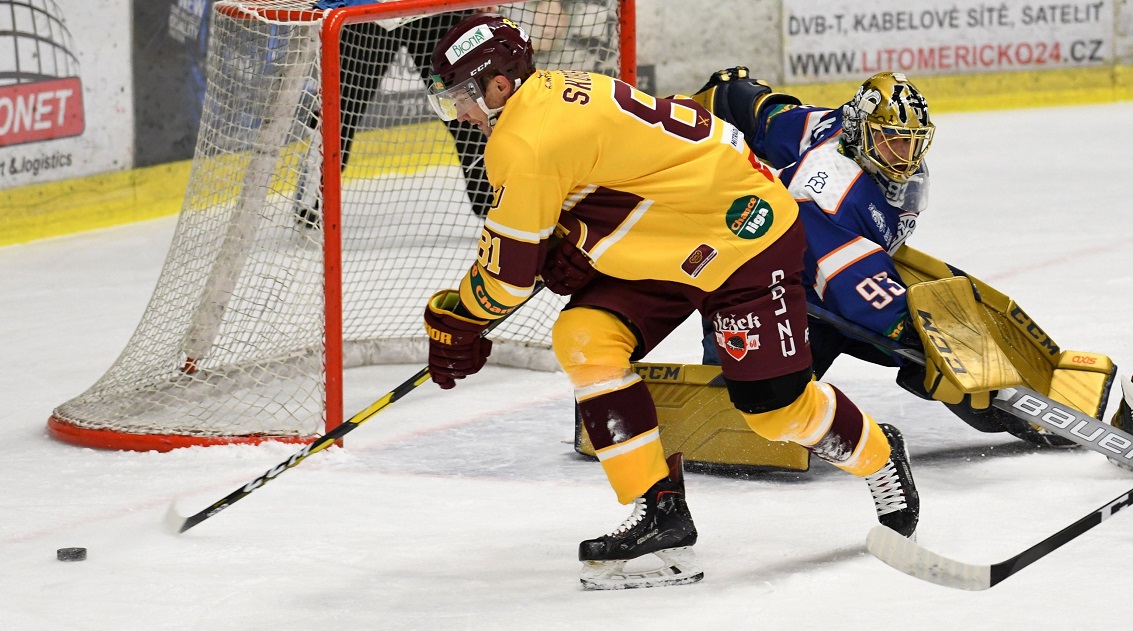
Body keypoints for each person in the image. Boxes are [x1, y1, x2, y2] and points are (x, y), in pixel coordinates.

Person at [419, 14, 919, 590]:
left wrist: (454, 318)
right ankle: (661, 511)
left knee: (774, 411)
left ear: (499, 86)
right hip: (673, 240)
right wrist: (578, 234)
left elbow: (505, 281)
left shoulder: (523, 140)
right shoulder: (557, 91)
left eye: (460, 97)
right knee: (585, 336)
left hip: (743, 239)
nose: (458, 113)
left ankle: (880, 456)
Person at [693, 67, 1076, 447]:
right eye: (891, 140)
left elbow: (769, 120)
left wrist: (732, 97)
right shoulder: (825, 187)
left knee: (941, 323)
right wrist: (926, 338)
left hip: (821, 277)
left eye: (911, 141)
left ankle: (1026, 393)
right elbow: (854, 287)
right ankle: (728, 391)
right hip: (765, 292)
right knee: (766, 402)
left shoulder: (839, 125)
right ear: (865, 132)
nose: (903, 154)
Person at [295, 2, 495, 228]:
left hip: (434, 9)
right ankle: (313, 203)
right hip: (369, 9)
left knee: (467, 107)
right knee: (338, 109)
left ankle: (493, 202)